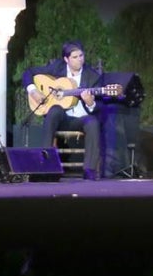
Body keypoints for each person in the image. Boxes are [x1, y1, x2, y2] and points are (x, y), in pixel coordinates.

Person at [21, 40, 105, 180]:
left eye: (81, 56)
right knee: (54, 110)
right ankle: (45, 162)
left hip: (81, 119)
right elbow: (28, 73)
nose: (80, 60)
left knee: (93, 122)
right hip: (62, 118)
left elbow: (99, 107)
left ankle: (89, 170)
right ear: (66, 59)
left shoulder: (93, 77)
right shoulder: (57, 68)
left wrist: (90, 103)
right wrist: (34, 91)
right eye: (75, 57)